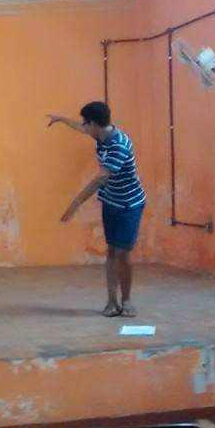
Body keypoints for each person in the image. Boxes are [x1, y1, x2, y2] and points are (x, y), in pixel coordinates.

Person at [48, 101, 146, 317]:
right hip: (110, 201)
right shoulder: (100, 134)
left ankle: (127, 300)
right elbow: (80, 128)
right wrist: (62, 119)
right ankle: (112, 302)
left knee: (123, 252)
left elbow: (101, 178)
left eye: (85, 123)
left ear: (93, 123)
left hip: (129, 204)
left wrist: (75, 204)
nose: (83, 126)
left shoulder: (118, 145)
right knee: (111, 250)